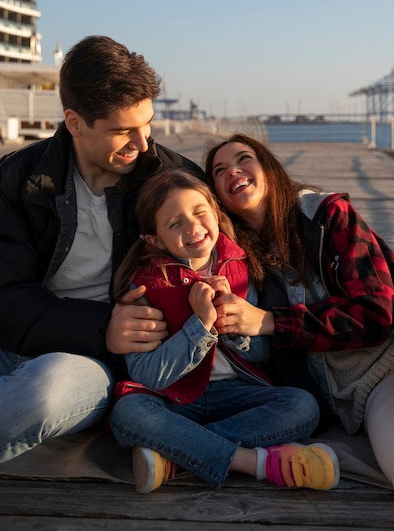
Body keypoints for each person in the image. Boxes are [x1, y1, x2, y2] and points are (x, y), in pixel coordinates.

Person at [0, 35, 203, 464]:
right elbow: (6, 292)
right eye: (122, 130)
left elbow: (234, 240)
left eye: (146, 124)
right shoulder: (17, 178)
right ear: (75, 122)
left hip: (90, 361)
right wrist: (102, 323)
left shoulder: (170, 180)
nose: (143, 143)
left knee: (45, 394)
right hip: (17, 336)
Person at [109, 169, 340, 493]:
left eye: (200, 213)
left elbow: (259, 354)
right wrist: (200, 325)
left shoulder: (240, 267)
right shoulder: (147, 284)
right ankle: (255, 463)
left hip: (236, 395)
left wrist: (233, 322)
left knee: (302, 406)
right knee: (128, 413)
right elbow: (147, 377)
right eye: (175, 224)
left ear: (216, 213)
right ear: (155, 239)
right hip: (174, 400)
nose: (193, 227)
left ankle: (177, 455)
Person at [204, 132, 394, 487]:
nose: (233, 171)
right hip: (341, 402)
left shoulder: (329, 217)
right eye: (219, 169)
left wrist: (271, 322)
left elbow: (375, 314)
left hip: (384, 368)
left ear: (270, 169)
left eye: (244, 158)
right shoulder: (232, 258)